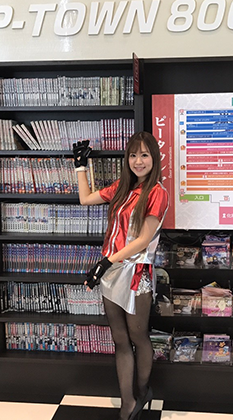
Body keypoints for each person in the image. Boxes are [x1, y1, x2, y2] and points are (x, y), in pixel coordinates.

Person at [73, 131, 169, 420]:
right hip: (111, 271)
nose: (138, 161)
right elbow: (85, 199)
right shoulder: (122, 187)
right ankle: (127, 402)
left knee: (138, 336)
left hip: (136, 273)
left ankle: (142, 391)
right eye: (133, 155)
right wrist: (80, 167)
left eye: (144, 155)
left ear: (154, 158)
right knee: (120, 339)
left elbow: (143, 240)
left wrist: (106, 262)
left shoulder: (157, 193)